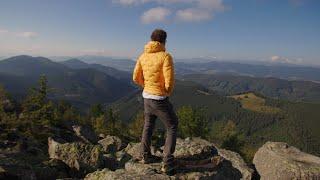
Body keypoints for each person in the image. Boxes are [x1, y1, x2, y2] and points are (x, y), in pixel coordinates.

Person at [132, 29, 178, 175]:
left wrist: (146, 86)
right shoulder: (165, 56)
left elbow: (135, 77)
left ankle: (145, 156)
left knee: (148, 124)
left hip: (146, 97)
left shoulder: (143, 56)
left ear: (151, 39)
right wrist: (165, 92)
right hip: (159, 98)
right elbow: (169, 81)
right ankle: (167, 163)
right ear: (164, 41)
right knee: (172, 125)